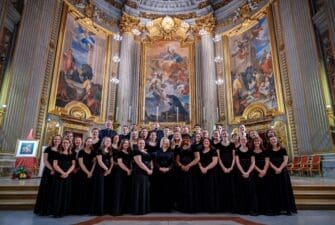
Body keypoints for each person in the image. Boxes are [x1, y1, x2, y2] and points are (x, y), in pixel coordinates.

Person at [268, 136, 297, 215]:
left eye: (274, 139)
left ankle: (287, 209)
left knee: (285, 189)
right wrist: (275, 168)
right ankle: (278, 209)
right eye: (271, 140)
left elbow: (286, 160)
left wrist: (280, 168)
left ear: (277, 140)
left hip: (282, 171)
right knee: (276, 190)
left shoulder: (283, 149)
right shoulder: (269, 150)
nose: (273, 141)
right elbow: (268, 162)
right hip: (273, 172)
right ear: (270, 142)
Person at [34, 135, 61, 216]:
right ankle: (44, 209)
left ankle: (52, 209)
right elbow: (45, 161)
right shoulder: (48, 149)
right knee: (46, 189)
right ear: (53, 140)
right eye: (55, 139)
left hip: (57, 171)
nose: (57, 141)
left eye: (58, 139)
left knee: (54, 190)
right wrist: (52, 169)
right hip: (49, 171)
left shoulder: (61, 149)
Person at [50, 138, 76, 217]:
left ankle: (64, 211)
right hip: (59, 175)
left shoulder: (72, 153)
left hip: (68, 175)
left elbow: (73, 165)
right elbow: (55, 165)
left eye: (67, 143)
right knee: (58, 193)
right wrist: (62, 172)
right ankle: (56, 211)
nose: (65, 144)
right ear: (62, 144)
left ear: (70, 144)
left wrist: (67, 173)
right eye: (64, 143)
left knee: (66, 192)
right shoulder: (57, 153)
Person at [175, 134, 200, 213]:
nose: (186, 140)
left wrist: (188, 166)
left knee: (191, 188)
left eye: (187, 138)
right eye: (184, 139)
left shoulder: (194, 147)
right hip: (182, 171)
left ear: (190, 139)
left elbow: (197, 158)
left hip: (191, 170)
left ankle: (191, 207)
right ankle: (183, 207)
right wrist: (181, 165)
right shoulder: (179, 148)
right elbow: (177, 160)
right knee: (183, 188)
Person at [235, 136, 257, 215]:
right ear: (239, 141)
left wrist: (248, 172)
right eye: (242, 140)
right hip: (240, 172)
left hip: (250, 172)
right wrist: (243, 172)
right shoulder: (237, 151)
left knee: (251, 191)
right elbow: (237, 163)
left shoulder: (251, 150)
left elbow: (253, 162)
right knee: (241, 190)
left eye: (244, 139)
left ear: (246, 141)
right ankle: (243, 209)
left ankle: (251, 209)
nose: (243, 141)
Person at [91, 137, 113, 215]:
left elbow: (112, 162)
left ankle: (105, 209)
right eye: (106, 140)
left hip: (108, 173)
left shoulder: (110, 151)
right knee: (100, 190)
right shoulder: (99, 150)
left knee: (106, 190)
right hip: (100, 172)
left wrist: (109, 170)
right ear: (103, 141)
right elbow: (99, 162)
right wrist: (107, 170)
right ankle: (98, 210)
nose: (108, 142)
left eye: (109, 141)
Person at [151, 137, 175, 212]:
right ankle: (158, 208)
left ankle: (168, 208)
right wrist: (159, 168)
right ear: (162, 142)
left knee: (168, 190)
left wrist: (168, 168)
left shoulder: (171, 152)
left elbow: (173, 163)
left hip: (168, 173)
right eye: (164, 141)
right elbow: (154, 162)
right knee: (158, 189)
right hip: (158, 173)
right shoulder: (157, 152)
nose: (165, 143)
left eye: (167, 142)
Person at [131, 139, 153, 215]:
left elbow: (151, 161)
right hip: (139, 173)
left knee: (144, 190)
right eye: (140, 143)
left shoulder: (146, 152)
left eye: (143, 143)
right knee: (138, 191)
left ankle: (144, 209)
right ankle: (138, 210)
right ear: (137, 144)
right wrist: (147, 170)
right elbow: (139, 162)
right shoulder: (136, 151)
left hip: (146, 174)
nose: (142, 144)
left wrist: (151, 169)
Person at [111, 139, 132, 215]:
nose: (126, 144)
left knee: (124, 191)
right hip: (120, 173)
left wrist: (130, 170)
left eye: (127, 143)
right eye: (125, 143)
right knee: (118, 192)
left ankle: (122, 210)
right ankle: (116, 210)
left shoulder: (129, 152)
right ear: (122, 144)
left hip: (127, 174)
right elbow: (120, 163)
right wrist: (127, 170)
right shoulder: (119, 152)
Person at [76, 137, 96, 214]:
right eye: (88, 141)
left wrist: (91, 172)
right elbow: (81, 164)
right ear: (85, 142)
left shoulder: (93, 152)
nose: (89, 143)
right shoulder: (81, 152)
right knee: (81, 191)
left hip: (91, 173)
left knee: (89, 191)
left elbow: (94, 163)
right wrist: (87, 172)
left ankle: (88, 209)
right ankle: (80, 209)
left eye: (91, 142)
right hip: (82, 173)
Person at [198, 138, 219, 212]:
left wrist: (206, 168)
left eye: (207, 141)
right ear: (202, 143)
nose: (206, 142)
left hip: (211, 171)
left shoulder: (213, 150)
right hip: (201, 171)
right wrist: (201, 167)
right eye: (204, 141)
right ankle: (203, 207)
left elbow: (215, 162)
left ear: (210, 143)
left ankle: (211, 207)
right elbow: (198, 160)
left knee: (210, 189)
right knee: (203, 189)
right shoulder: (200, 151)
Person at [217, 129, 236, 212]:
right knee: (223, 187)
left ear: (228, 135)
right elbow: (218, 158)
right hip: (222, 168)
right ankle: (223, 207)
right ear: (221, 135)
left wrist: (231, 167)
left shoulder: (232, 144)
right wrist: (223, 168)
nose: (224, 135)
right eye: (223, 134)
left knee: (231, 187)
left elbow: (234, 157)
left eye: (226, 133)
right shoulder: (218, 145)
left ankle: (231, 207)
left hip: (231, 167)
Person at [252, 137, 270, 215]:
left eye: (258, 141)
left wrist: (264, 171)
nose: (257, 142)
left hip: (265, 172)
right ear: (253, 143)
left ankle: (266, 209)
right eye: (255, 141)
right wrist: (259, 171)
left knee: (265, 191)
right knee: (257, 191)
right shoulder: (252, 152)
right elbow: (253, 163)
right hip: (256, 173)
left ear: (260, 142)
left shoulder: (265, 151)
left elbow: (267, 162)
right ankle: (257, 210)